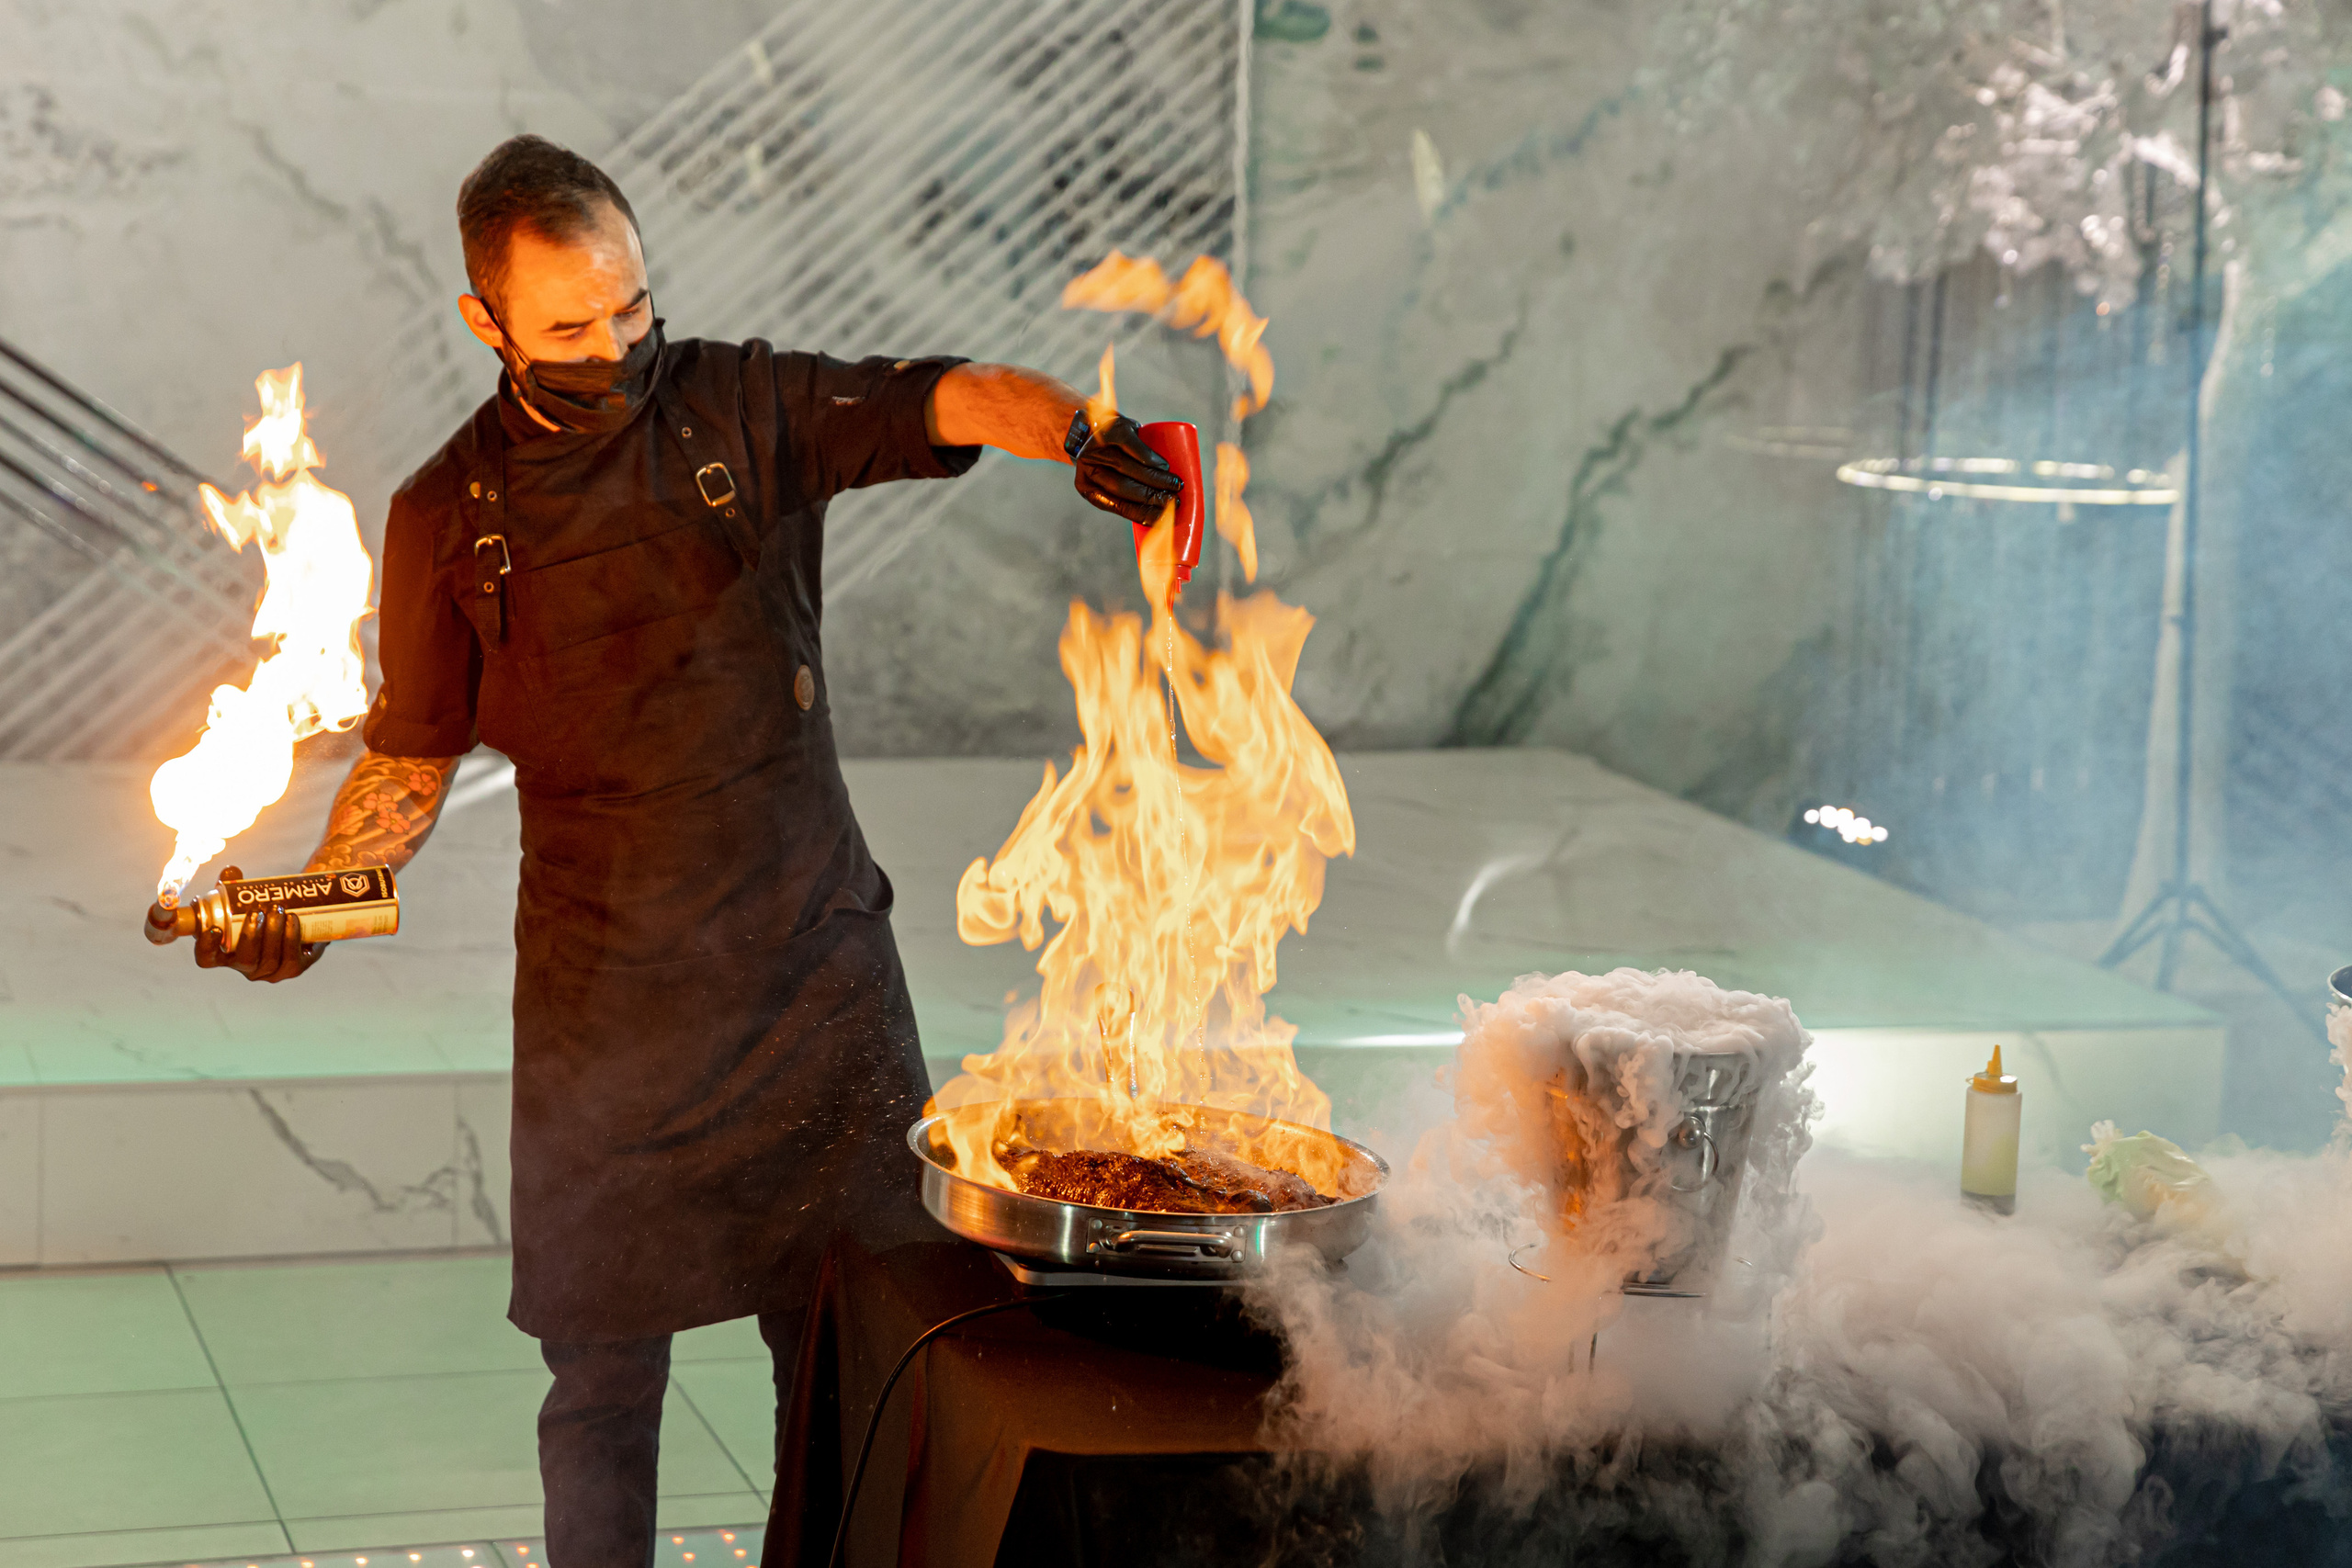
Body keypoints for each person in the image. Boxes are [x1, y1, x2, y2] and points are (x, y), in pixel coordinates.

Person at [165, 134, 1182, 1567]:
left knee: (857, 1357)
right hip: (605, 1013)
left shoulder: (740, 405)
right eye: (571, 325)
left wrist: (1078, 427)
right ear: (488, 322)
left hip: (811, 972)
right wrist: (316, 907)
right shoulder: (445, 517)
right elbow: (405, 762)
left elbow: (941, 397)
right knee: (599, 1388)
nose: (617, 343)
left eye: (631, 306)